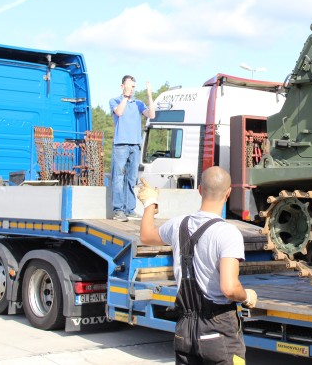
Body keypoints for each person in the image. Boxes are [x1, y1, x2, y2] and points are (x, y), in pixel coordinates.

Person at [138, 166, 257, 365]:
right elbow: (229, 288)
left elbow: (146, 236)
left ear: (200, 190)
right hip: (218, 331)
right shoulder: (228, 233)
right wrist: (246, 296)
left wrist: (150, 203)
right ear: (228, 193)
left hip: (184, 330)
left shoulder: (178, 225)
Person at [109, 75, 155, 222]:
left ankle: (130, 209)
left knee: (132, 178)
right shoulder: (115, 100)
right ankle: (118, 210)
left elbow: (152, 114)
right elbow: (119, 113)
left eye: (134, 87)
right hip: (121, 145)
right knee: (118, 178)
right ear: (122, 86)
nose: (132, 89)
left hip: (135, 145)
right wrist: (125, 97)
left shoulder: (139, 103)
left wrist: (149, 95)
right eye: (129, 86)